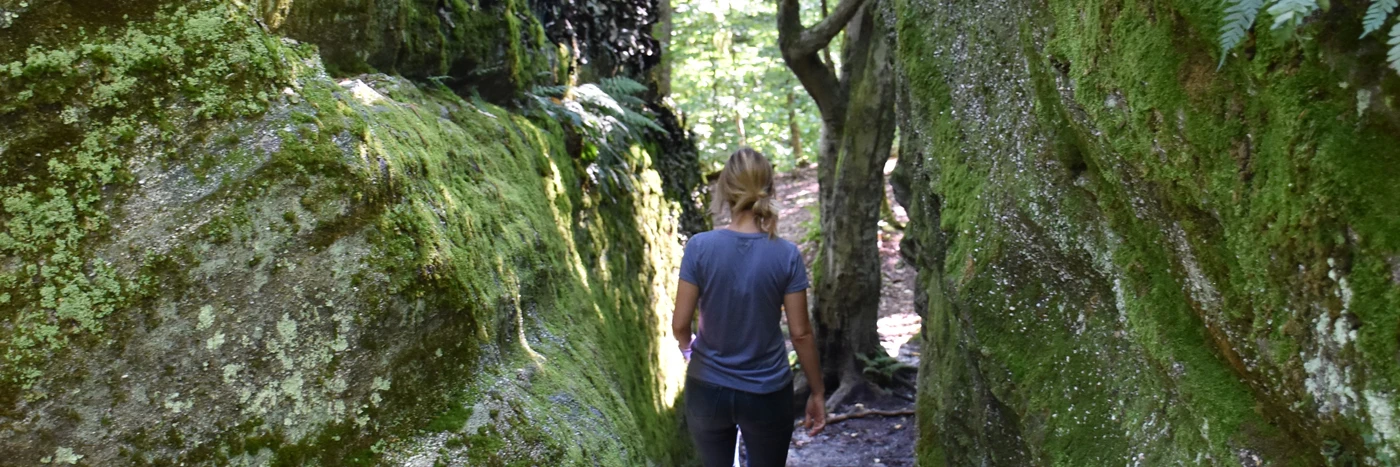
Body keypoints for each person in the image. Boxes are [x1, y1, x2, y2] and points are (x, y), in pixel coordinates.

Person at [672, 148, 826, 467]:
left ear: (725, 189)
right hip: (767, 392)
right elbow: (800, 334)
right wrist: (817, 392)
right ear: (770, 189)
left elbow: (679, 324)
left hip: (707, 387)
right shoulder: (786, 255)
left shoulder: (700, 247)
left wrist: (689, 350)